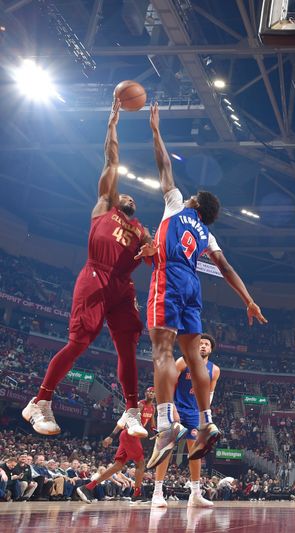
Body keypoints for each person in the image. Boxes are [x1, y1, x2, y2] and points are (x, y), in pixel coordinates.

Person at [138, 103, 267, 469]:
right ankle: (207, 422)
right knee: (194, 358)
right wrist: (249, 300)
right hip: (194, 284)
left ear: (194, 201)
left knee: (162, 350)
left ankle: (166, 423)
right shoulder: (207, 232)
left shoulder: (177, 204)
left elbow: (164, 166)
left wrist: (155, 131)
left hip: (170, 276)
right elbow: (225, 268)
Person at [22, 99, 149, 438]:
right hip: (96, 274)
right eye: (129, 196)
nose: (132, 199)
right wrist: (112, 123)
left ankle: (131, 410)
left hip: (123, 286)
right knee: (79, 343)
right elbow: (112, 158)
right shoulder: (105, 205)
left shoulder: (141, 231)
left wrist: (152, 252)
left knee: (127, 348)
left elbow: (152, 260)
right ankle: (40, 401)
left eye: (136, 201)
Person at [152, 333, 220, 509]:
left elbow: (209, 395)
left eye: (206, 344)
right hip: (176, 407)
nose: (203, 346)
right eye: (200, 343)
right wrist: (171, 407)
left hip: (194, 412)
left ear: (211, 350)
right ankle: (157, 492)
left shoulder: (215, 370)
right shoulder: (183, 361)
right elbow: (168, 383)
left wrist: (204, 415)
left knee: (196, 452)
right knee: (166, 447)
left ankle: (195, 493)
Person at [76, 422, 145, 504]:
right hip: (130, 434)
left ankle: (87, 487)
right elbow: (123, 419)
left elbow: (152, 426)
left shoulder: (152, 410)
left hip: (131, 436)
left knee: (117, 466)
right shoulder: (137, 409)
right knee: (140, 464)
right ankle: (137, 494)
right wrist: (111, 436)